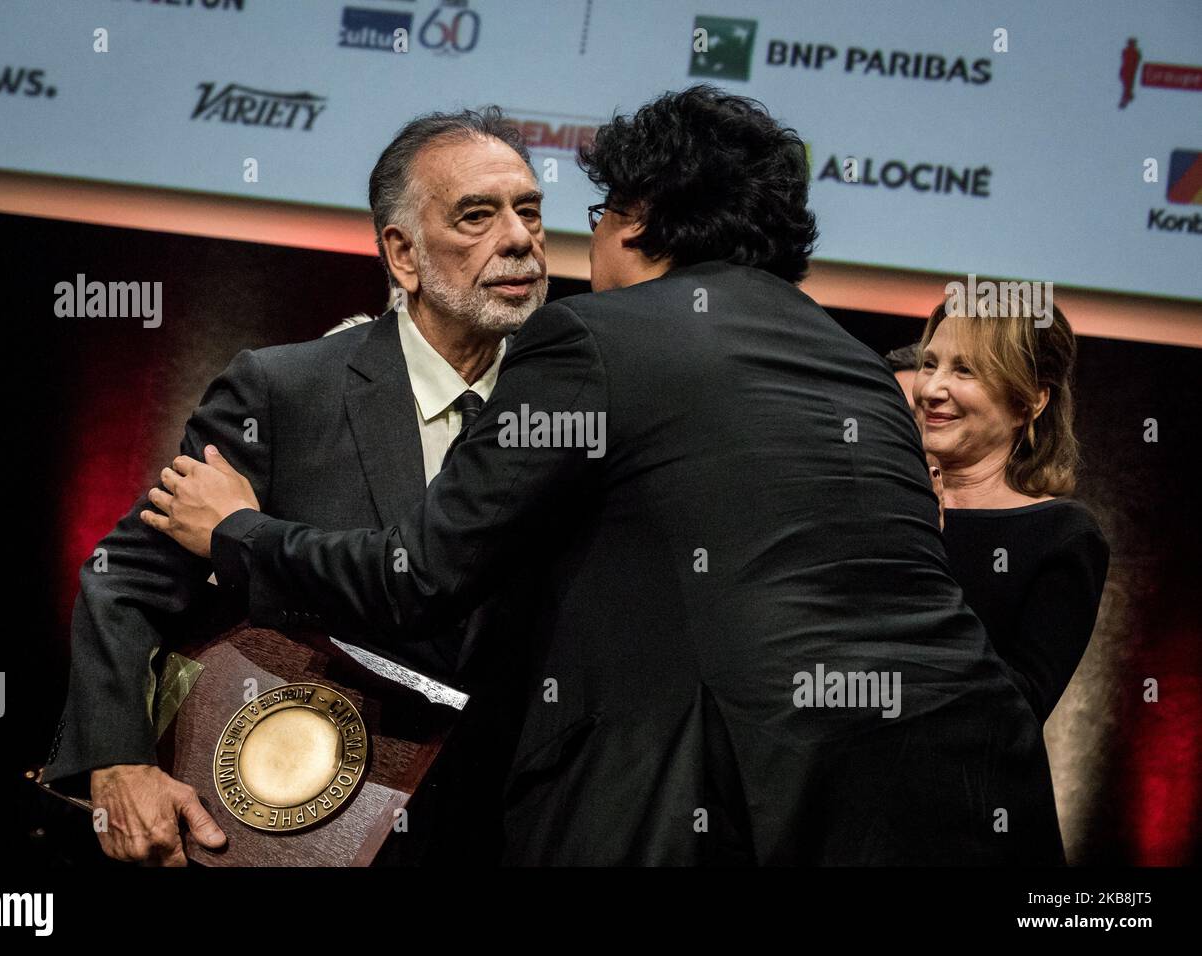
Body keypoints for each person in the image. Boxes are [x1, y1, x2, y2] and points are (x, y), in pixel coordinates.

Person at [144, 85, 1066, 865]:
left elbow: (420, 575)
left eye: (590, 217)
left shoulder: (591, 338)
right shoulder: (861, 366)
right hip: (968, 787)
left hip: (732, 802)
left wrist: (235, 531)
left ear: (639, 219)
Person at [41, 106, 549, 865]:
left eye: (530, 212)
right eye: (478, 215)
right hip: (301, 824)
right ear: (403, 255)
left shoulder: (578, 399)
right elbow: (127, 583)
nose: (518, 239)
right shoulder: (285, 390)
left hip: (515, 832)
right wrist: (117, 763)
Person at [914, 298, 1109, 722]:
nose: (930, 389)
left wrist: (924, 552)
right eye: (930, 364)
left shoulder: (1063, 534)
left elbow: (1015, 710)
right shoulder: (885, 500)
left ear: (1029, 403)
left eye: (964, 370)